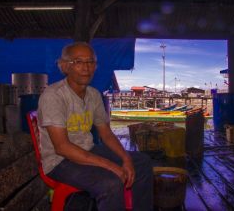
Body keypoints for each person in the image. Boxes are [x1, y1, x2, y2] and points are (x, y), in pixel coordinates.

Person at [37, 42, 153, 211]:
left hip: (87, 149)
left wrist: (126, 158)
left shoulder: (93, 94)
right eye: (78, 61)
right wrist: (110, 165)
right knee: (111, 183)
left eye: (90, 62)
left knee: (142, 162)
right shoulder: (53, 96)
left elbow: (105, 133)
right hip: (59, 161)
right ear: (64, 66)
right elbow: (62, 147)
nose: (86, 67)